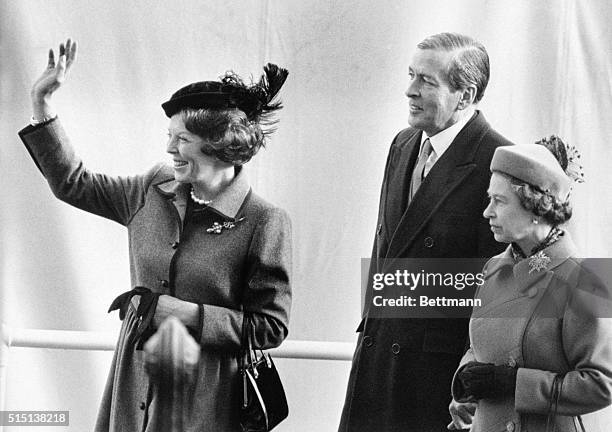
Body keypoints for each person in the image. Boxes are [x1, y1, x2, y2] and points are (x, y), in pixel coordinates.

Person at [19, 39, 292, 432]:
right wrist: (41, 105)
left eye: (182, 139)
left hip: (206, 398)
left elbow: (270, 327)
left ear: (219, 145)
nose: (169, 148)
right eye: (171, 136)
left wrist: (188, 314)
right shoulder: (152, 188)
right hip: (135, 382)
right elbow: (72, 184)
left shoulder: (264, 221)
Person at [339, 32, 513, 431]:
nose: (409, 90)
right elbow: (386, 247)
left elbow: (497, 291)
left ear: (465, 95)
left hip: (435, 375)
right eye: (411, 75)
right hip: (377, 351)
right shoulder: (402, 144)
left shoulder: (498, 161)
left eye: (426, 81)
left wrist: (468, 384)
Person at [448, 138, 612, 431]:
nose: (487, 211)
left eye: (499, 201)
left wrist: (515, 384)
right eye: (490, 199)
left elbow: (601, 383)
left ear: (537, 207)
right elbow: (480, 346)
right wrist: (467, 382)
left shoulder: (582, 280)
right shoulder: (494, 269)